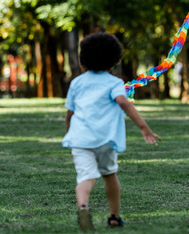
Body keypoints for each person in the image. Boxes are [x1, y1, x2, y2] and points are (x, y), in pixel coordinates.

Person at [63, 32, 161, 231]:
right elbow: (123, 101)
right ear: (114, 59)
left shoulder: (77, 83)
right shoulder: (114, 83)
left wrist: (70, 134)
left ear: (84, 58)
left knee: (85, 177)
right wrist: (143, 127)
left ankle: (83, 207)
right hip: (105, 139)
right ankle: (114, 216)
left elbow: (70, 113)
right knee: (109, 175)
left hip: (80, 139)